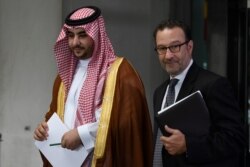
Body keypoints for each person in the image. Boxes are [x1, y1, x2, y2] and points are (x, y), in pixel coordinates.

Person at [33, 6, 153, 167]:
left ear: (96, 34)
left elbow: (127, 125)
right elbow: (55, 116)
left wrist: (82, 135)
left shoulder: (121, 72)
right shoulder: (63, 78)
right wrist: (44, 129)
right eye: (70, 36)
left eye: (82, 35)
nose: (75, 42)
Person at [152, 19, 245, 167]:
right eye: (162, 48)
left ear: (189, 47)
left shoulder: (214, 85)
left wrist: (188, 145)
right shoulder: (159, 92)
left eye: (175, 46)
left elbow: (235, 139)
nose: (168, 55)